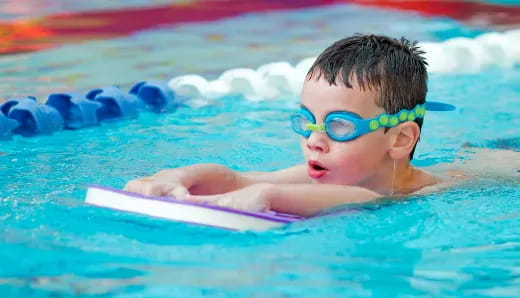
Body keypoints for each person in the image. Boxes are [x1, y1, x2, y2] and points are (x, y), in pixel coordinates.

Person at [123, 34, 465, 217]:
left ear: (400, 139)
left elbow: (358, 199)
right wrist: (177, 176)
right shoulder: (326, 170)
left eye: (339, 126)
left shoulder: (392, 195)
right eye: (307, 121)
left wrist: (267, 197)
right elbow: (238, 179)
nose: (314, 141)